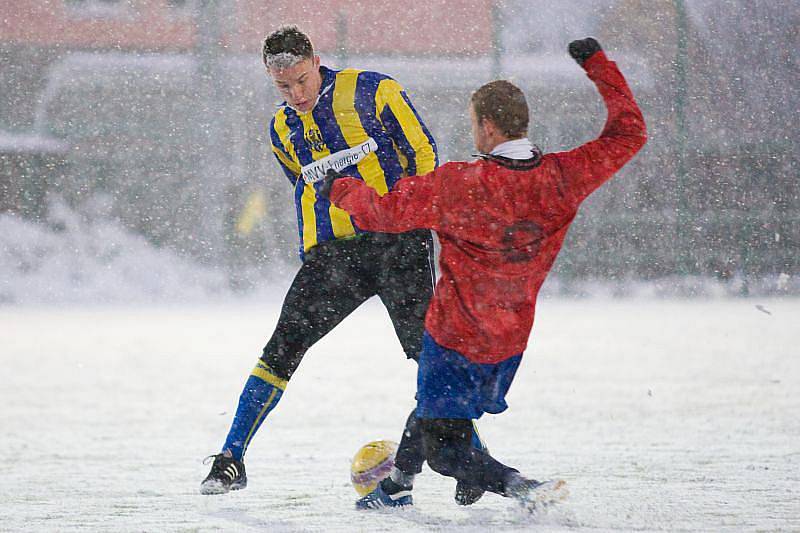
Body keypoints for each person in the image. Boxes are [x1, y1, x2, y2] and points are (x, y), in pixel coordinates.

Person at [324, 37, 647, 510]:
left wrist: (343, 188)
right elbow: (629, 133)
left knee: (446, 450)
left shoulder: (460, 184)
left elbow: (383, 214)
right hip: (509, 340)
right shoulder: (564, 176)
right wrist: (598, 65)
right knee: (434, 408)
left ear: (488, 127)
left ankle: (523, 489)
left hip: (455, 335)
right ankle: (395, 487)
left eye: (474, 122)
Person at [201, 25, 494, 505]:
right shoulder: (281, 128)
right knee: (281, 348)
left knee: (431, 358)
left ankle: (472, 461)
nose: (294, 94)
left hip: (398, 243)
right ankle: (230, 458)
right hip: (334, 254)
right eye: (282, 87)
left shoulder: (375, 91)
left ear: (316, 61)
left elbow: (423, 154)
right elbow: (301, 183)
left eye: (300, 80)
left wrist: (411, 217)